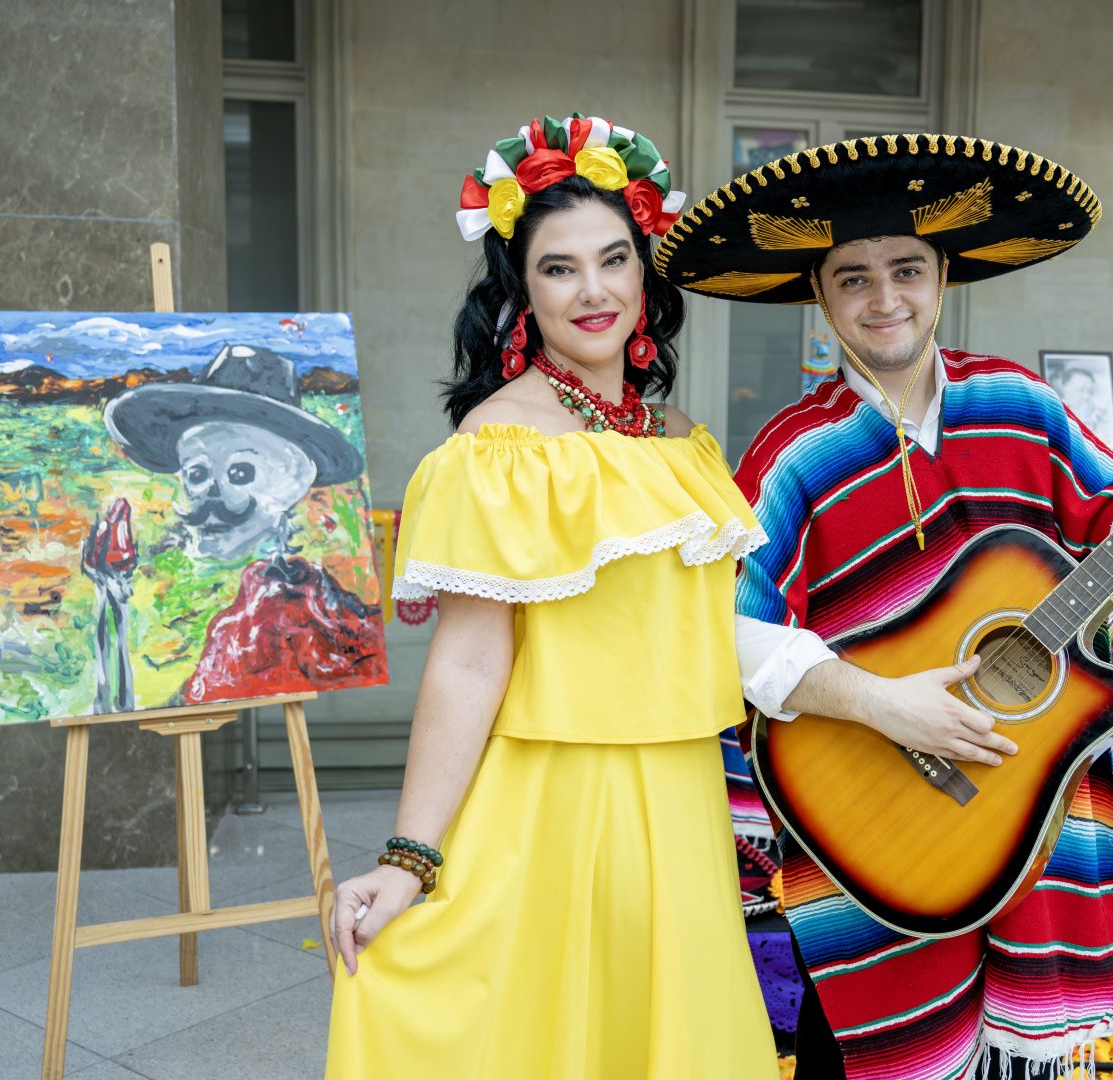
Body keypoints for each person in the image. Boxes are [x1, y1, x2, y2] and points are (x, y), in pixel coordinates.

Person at [657, 132, 1113, 1078]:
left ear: (944, 275)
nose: (884, 298)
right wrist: (884, 703)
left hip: (1035, 783)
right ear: (818, 296)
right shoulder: (794, 453)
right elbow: (725, 632)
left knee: (1026, 1053)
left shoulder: (1021, 404)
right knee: (871, 1046)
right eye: (852, 277)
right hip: (875, 805)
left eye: (906, 269)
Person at [324, 114, 778, 1079]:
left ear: (646, 271)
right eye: (559, 268)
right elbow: (469, 659)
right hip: (555, 804)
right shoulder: (500, 448)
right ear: (521, 290)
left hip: (684, 800)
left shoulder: (681, 439)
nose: (595, 290)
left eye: (614, 259)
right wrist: (409, 857)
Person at [104, 346, 386, 705]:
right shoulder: (208, 590)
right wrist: (111, 594)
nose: (212, 497)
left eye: (240, 473)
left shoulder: (275, 617)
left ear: (291, 483)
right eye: (197, 474)